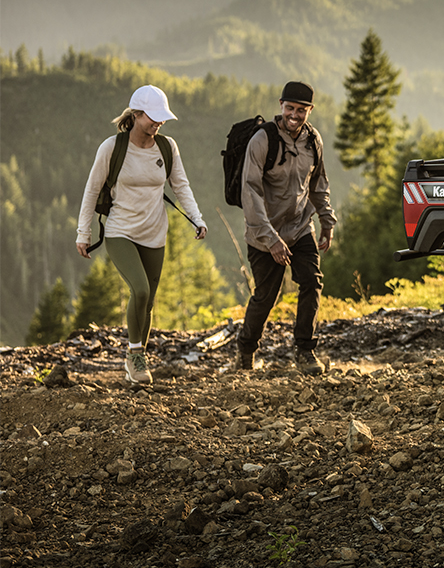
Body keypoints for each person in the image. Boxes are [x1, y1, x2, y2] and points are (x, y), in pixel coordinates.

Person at [76, 85, 208, 385]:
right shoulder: (112, 147)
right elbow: (91, 190)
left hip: (155, 233)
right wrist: (83, 232)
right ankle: (135, 355)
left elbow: (181, 186)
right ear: (136, 114)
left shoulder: (167, 147)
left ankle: (137, 356)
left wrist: (196, 218)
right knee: (141, 289)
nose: (158, 122)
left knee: (147, 302)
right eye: (152, 117)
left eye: (162, 117)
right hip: (120, 231)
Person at [236, 81, 336, 375]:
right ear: (281, 105)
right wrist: (271, 239)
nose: (294, 114)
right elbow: (250, 193)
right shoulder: (262, 140)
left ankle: (305, 350)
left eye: (301, 110)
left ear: (310, 110)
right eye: (290, 108)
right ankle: (246, 350)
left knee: (311, 282)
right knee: (266, 296)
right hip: (264, 233)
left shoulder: (312, 140)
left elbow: (318, 184)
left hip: (300, 226)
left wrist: (327, 221)